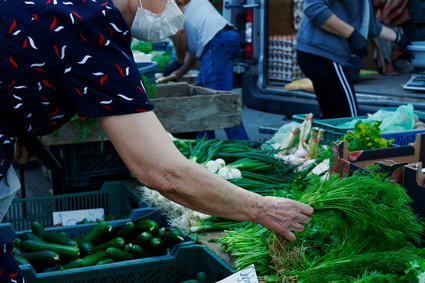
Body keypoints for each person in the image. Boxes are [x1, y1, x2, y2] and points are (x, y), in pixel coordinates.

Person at [0, 0, 313, 279]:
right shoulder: (90, 22)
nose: (177, 8)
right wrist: (261, 208)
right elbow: (162, 173)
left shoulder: (73, 8)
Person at [296, 0, 412, 119]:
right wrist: (352, 35)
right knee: (348, 119)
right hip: (322, 55)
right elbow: (314, 8)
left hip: (324, 56)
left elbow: (370, 25)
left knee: (334, 118)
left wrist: (399, 39)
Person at [162, 0, 250, 140]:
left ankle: (244, 148)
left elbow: (179, 32)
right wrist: (178, 74)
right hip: (221, 39)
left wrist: (178, 60)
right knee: (199, 98)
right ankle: (205, 143)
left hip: (217, 41)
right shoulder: (193, 8)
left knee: (220, 100)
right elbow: (195, 52)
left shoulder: (172, 7)